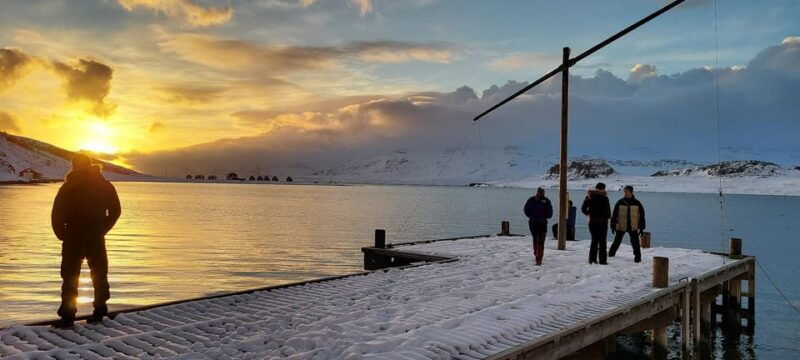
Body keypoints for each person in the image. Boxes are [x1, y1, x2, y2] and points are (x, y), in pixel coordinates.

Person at [51, 154, 121, 326]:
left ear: (75, 166)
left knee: (70, 276)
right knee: (99, 274)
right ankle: (99, 309)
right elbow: (116, 211)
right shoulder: (105, 185)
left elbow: (57, 213)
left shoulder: (68, 186)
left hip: (73, 237)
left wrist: (61, 233)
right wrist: (102, 228)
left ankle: (68, 316)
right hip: (94, 237)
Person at [609, 185, 646, 263]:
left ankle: (637, 259)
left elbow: (642, 216)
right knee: (616, 242)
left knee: (635, 243)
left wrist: (642, 228)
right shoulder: (620, 202)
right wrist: (612, 226)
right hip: (621, 226)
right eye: (624, 192)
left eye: (626, 192)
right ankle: (610, 255)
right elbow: (614, 215)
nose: (625, 193)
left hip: (633, 226)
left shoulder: (637, 203)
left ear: (631, 192)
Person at [581, 182, 611, 265]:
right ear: (603, 189)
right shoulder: (605, 198)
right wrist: (607, 217)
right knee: (602, 241)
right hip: (603, 222)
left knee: (594, 240)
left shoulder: (589, 196)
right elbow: (608, 212)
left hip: (592, 221)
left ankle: (592, 259)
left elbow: (583, 208)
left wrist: (589, 214)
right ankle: (603, 260)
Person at [524, 187, 553, 265]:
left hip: (533, 222)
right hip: (541, 222)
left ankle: (537, 254)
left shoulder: (531, 199)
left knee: (535, 238)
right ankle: (539, 257)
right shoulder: (546, 201)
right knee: (541, 240)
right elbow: (550, 214)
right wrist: (545, 216)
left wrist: (531, 215)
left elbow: (526, 210)